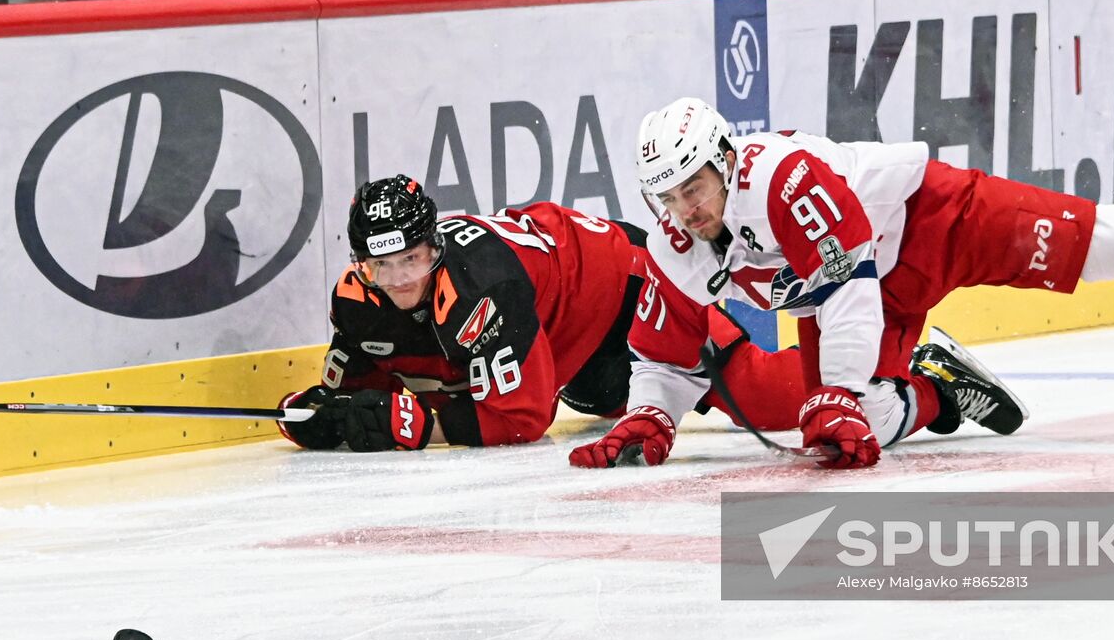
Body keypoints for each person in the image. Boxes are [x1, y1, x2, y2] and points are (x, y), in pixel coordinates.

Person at [569, 97, 1114, 470]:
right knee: (813, 440)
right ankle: (936, 393)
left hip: (934, 221)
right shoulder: (679, 235)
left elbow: (846, 286)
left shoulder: (784, 180)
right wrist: (649, 414)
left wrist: (841, 385)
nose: (686, 208)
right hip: (863, 290)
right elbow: (666, 345)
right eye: (667, 197)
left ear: (727, 160)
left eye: (695, 186)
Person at [277, 175, 805, 453]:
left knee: (763, 395)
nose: (399, 281)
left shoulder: (482, 287)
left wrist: (418, 429)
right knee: (610, 400)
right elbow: (352, 390)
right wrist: (312, 416)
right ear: (359, 266)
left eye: (411, 260)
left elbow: (525, 418)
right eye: (381, 266)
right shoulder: (356, 301)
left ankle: (872, 381)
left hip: (627, 288)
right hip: (575, 361)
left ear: (434, 247)